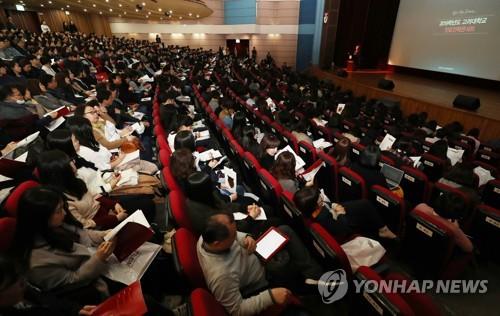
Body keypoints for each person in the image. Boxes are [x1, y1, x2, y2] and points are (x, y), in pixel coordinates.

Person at [197, 213, 324, 315]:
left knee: (284, 230)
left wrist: (245, 237)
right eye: (233, 235)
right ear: (217, 243)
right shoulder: (221, 277)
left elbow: (235, 235)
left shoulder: (205, 238)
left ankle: (312, 275)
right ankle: (313, 281)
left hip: (256, 255)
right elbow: (237, 310)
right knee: (286, 261)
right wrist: (270, 297)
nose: (236, 236)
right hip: (265, 276)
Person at [10, 186, 114, 298]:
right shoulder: (36, 263)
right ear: (40, 218)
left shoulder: (53, 226)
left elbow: (82, 234)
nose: (64, 213)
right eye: (59, 210)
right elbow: (72, 281)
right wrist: (99, 258)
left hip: (97, 260)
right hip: (92, 283)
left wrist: (106, 234)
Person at [37, 150, 129, 229]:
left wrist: (114, 204)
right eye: (68, 164)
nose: (73, 164)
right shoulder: (63, 200)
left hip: (105, 210)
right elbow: (85, 225)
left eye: (70, 160)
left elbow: (94, 195)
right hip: (99, 226)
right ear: (59, 174)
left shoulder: (75, 181)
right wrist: (114, 218)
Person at [0, 254, 97, 315]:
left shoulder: (23, 290)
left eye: (18, 276)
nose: (23, 281)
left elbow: (48, 299)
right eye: (13, 281)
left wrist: (75, 310)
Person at [294, 187, 397, 242]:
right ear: (314, 205)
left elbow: (326, 204)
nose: (321, 196)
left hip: (334, 210)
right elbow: (341, 228)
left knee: (365, 204)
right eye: (318, 198)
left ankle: (381, 228)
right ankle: (382, 230)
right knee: (365, 210)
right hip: (340, 221)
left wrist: (334, 206)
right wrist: (340, 212)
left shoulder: (312, 208)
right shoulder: (322, 218)